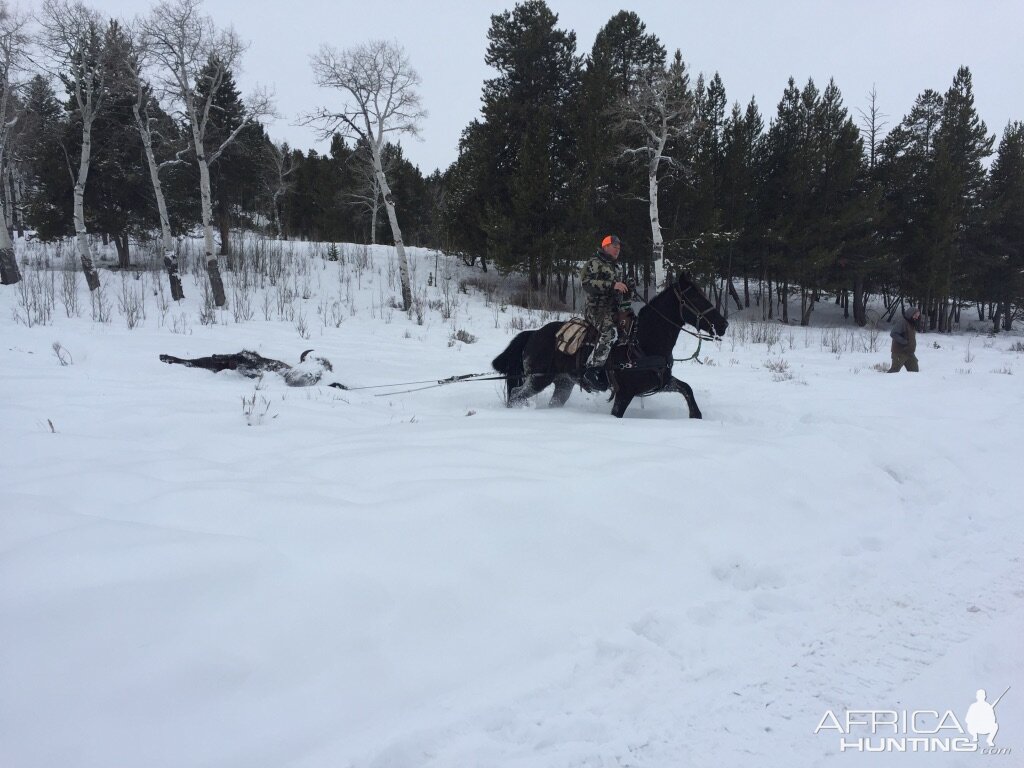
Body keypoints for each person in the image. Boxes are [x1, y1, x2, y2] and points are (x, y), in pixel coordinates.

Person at [580, 234, 634, 389]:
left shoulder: (617, 267)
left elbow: (620, 290)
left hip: (614, 309)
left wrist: (628, 287)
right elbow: (586, 283)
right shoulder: (594, 263)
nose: (618, 250)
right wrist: (612, 285)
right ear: (605, 247)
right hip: (597, 310)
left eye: (619, 248)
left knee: (633, 329)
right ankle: (592, 369)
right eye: (614, 247)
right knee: (610, 332)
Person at [888, 304, 922, 373]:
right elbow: (893, 333)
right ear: (910, 314)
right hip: (899, 353)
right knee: (894, 372)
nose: (916, 318)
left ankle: (912, 384)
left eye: (918, 316)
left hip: (909, 353)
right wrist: (904, 342)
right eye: (915, 316)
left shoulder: (911, 323)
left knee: (915, 372)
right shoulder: (902, 322)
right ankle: (882, 382)